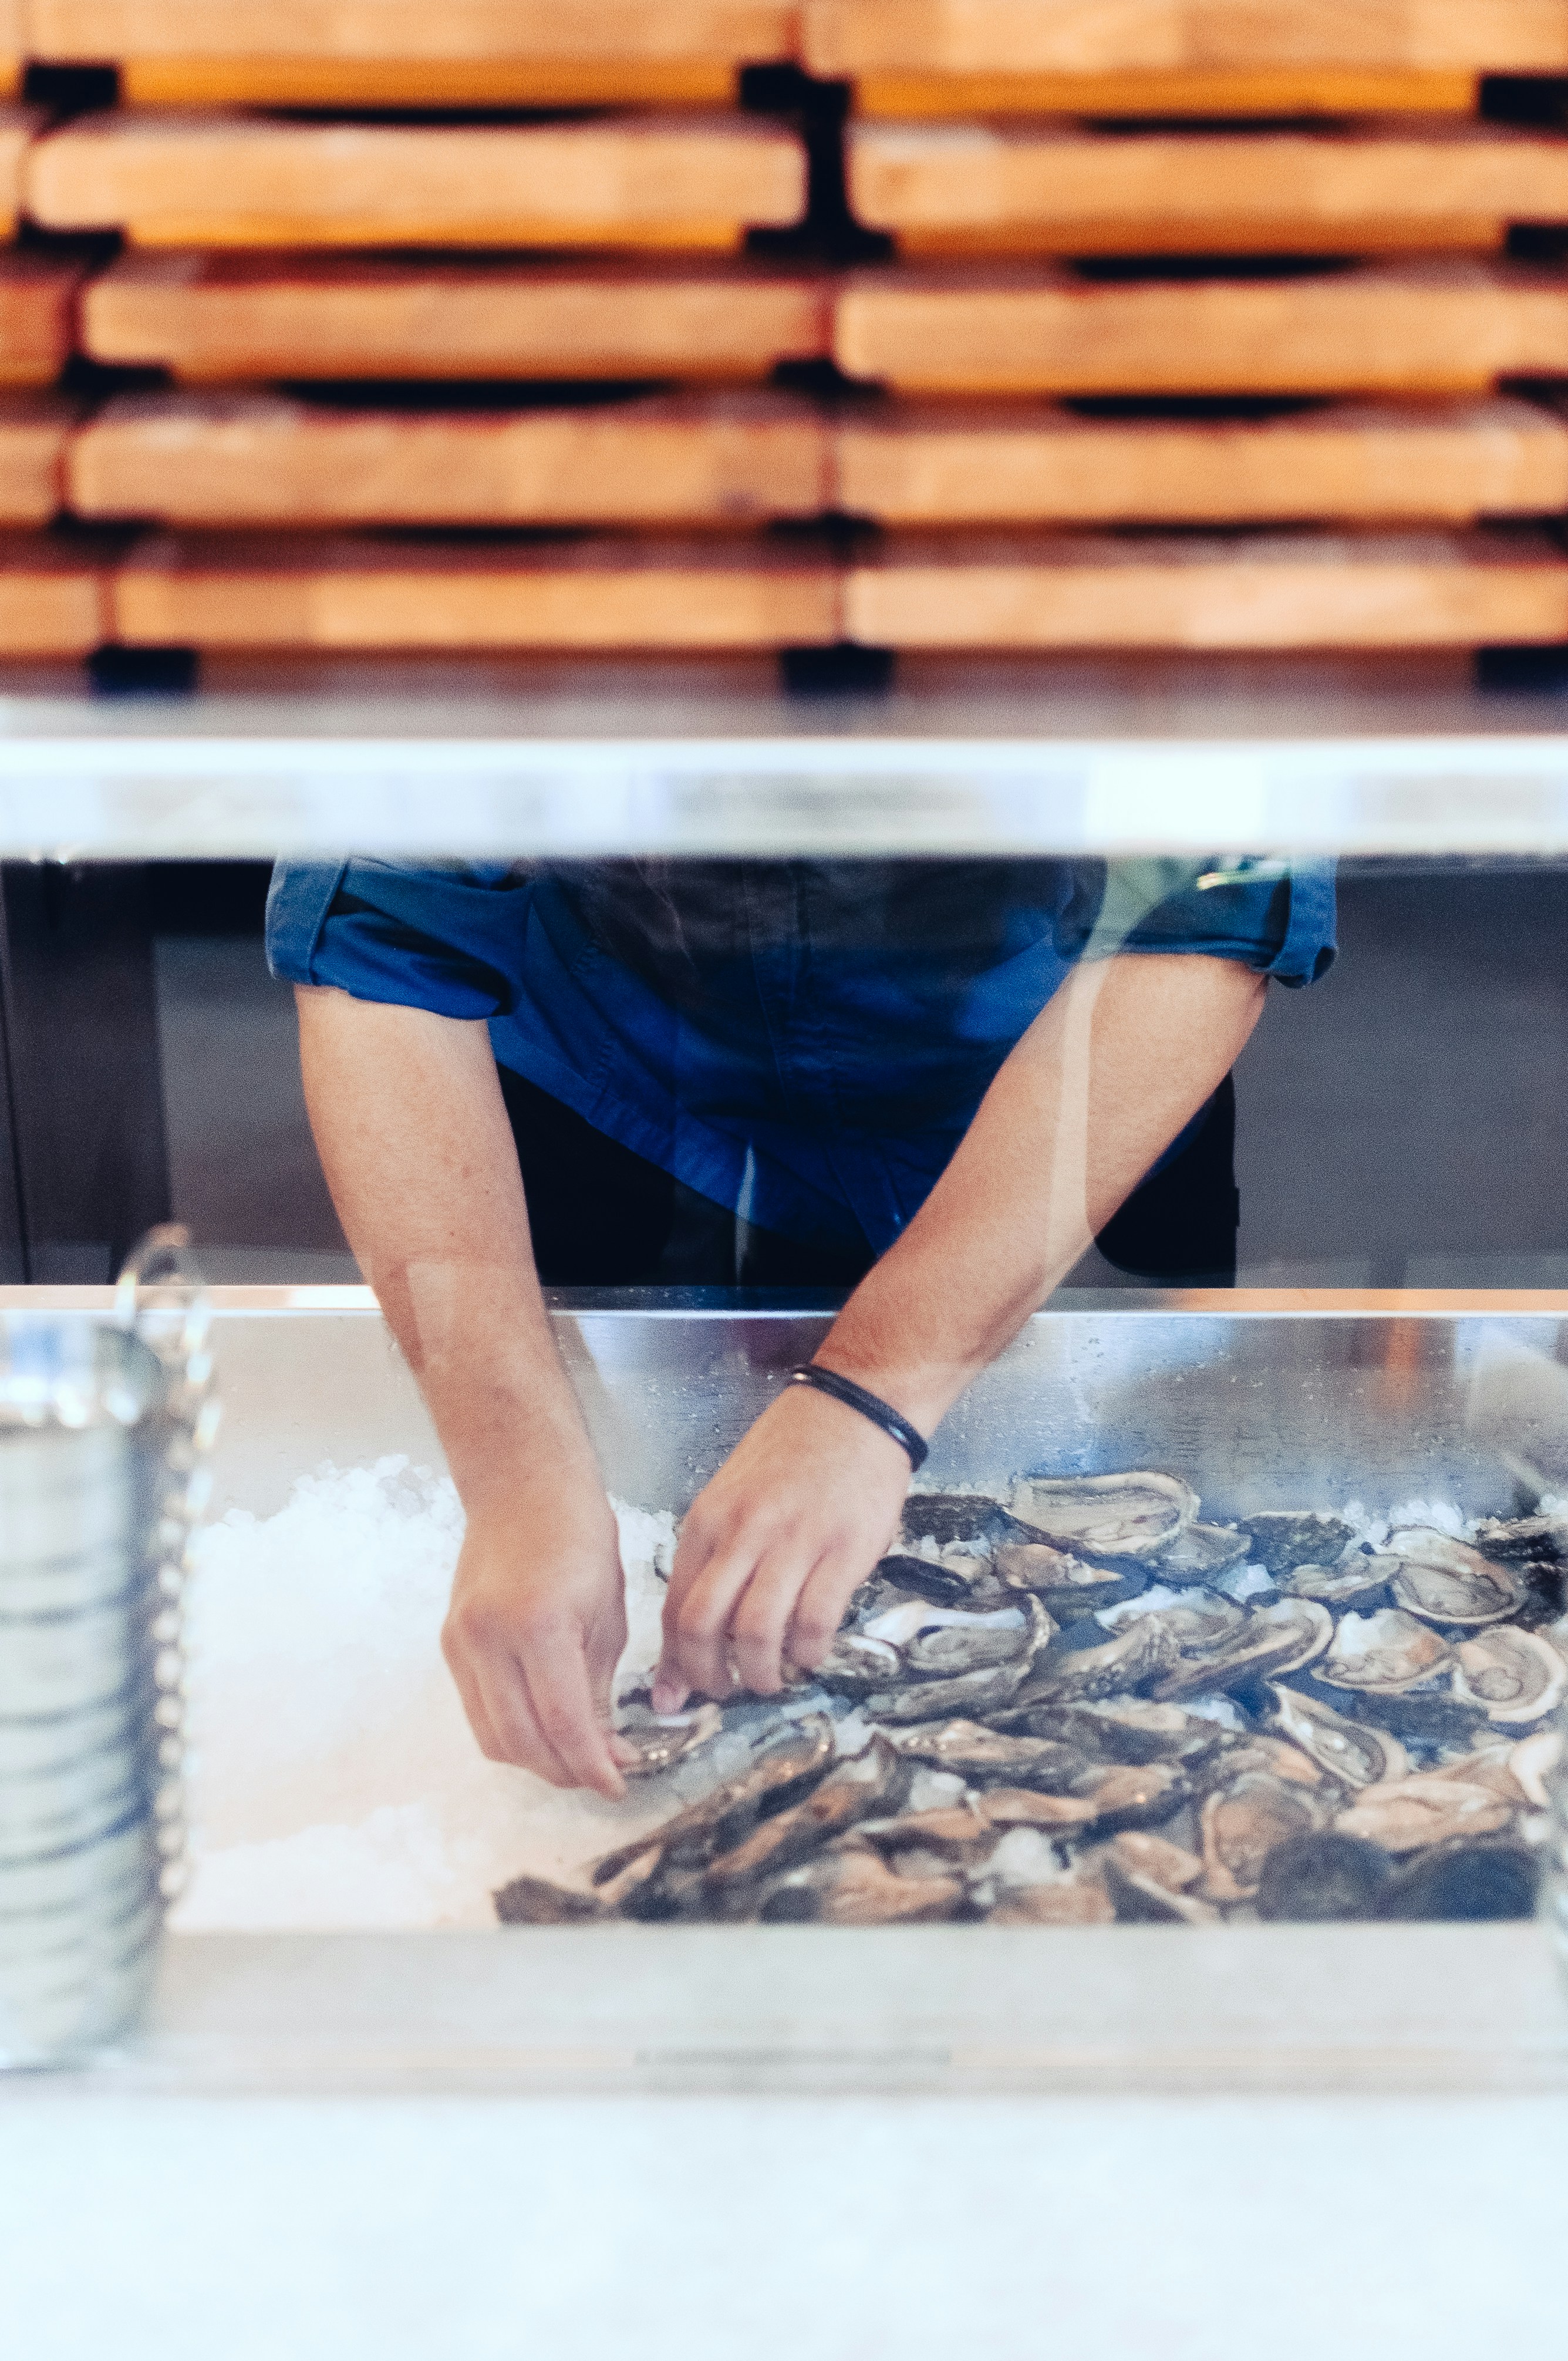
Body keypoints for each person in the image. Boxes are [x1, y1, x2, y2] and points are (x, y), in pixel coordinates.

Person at [268, 853, 1334, 1798]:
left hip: (1073, 1090)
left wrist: (873, 1388)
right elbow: (386, 932)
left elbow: (1203, 913)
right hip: (630, 1087)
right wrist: (517, 1481)